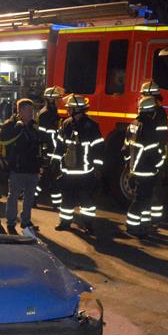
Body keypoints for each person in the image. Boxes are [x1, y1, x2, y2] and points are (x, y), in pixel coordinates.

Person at [52, 94, 104, 235]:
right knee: (67, 199)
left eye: (70, 109)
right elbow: (60, 145)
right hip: (68, 171)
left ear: (78, 110)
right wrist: (55, 161)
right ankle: (65, 222)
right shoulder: (66, 124)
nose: (68, 111)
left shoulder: (92, 126)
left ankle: (88, 224)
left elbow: (98, 149)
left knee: (86, 200)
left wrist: (98, 168)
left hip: (85, 172)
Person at [0, 99, 46, 236]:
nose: (31, 114)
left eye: (32, 111)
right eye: (28, 111)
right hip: (17, 168)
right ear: (20, 111)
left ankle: (26, 221)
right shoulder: (10, 125)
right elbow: (3, 140)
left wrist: (40, 164)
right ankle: (11, 223)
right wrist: (18, 128)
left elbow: (39, 145)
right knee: (13, 197)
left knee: (29, 197)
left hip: (32, 168)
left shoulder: (33, 126)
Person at [124, 96, 167, 237]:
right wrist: (160, 165)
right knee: (141, 200)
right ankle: (132, 227)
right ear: (151, 111)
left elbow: (125, 149)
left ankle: (144, 225)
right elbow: (153, 152)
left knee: (144, 200)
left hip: (134, 170)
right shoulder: (149, 127)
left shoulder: (133, 124)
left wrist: (129, 167)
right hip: (147, 171)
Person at [140, 81, 168, 228]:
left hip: (155, 154)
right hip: (153, 153)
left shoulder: (156, 112)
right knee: (150, 188)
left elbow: (161, 137)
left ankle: (154, 219)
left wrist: (157, 156)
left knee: (155, 188)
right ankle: (150, 218)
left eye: (144, 95)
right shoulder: (156, 110)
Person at [36, 85, 65, 208]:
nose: (58, 101)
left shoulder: (51, 111)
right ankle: (55, 203)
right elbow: (48, 135)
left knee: (49, 178)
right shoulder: (46, 113)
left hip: (51, 150)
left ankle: (34, 198)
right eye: (56, 99)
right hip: (50, 151)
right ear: (50, 99)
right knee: (51, 178)